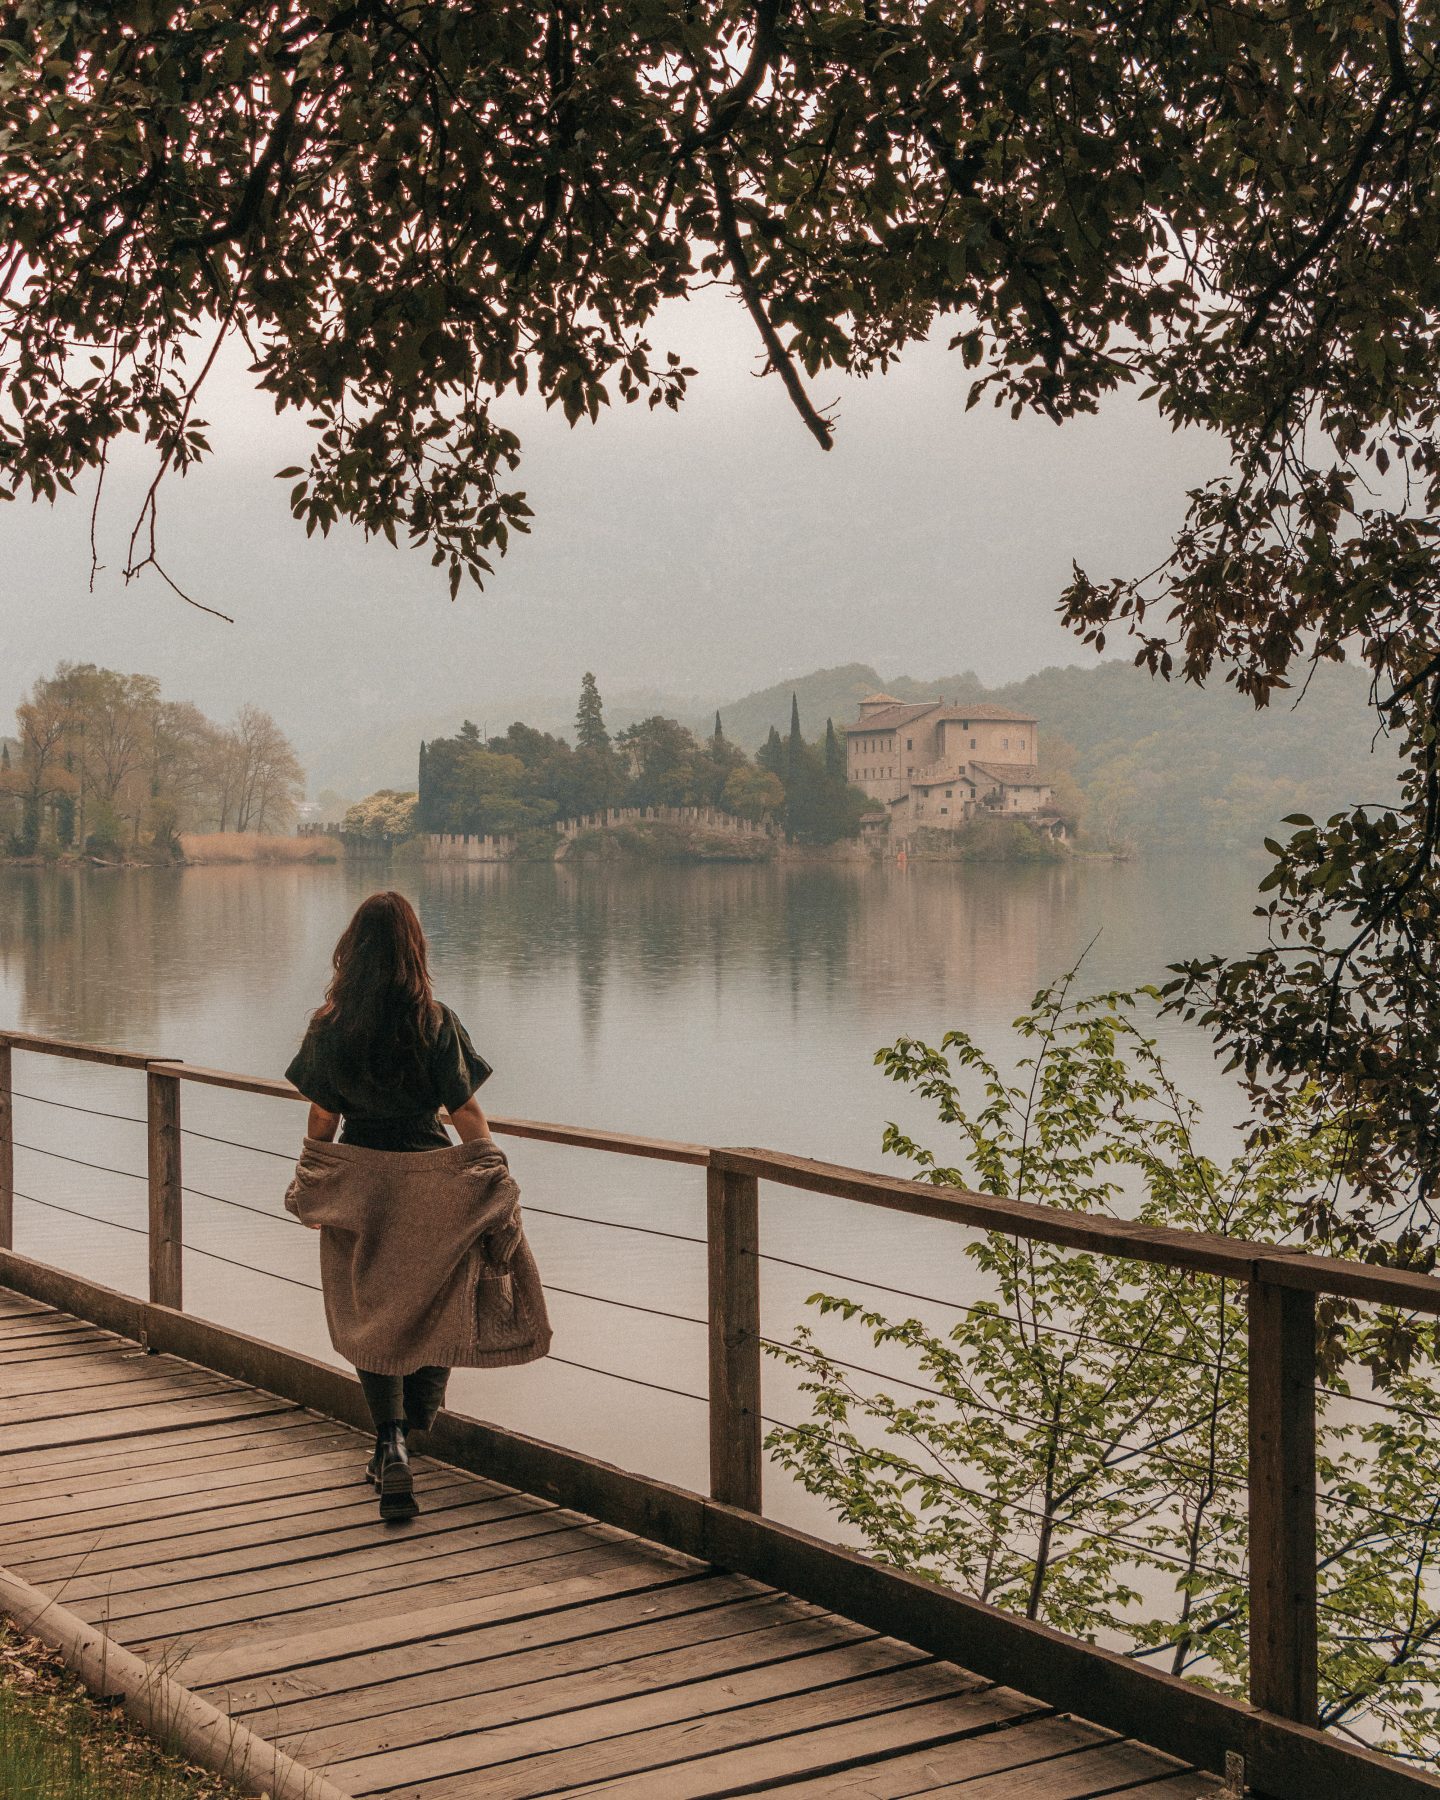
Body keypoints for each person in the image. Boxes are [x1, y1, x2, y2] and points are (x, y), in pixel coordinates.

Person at [284, 892, 551, 1522]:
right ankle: (413, 1432)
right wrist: (490, 1169)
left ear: (352, 950)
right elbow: (463, 1112)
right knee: (437, 1306)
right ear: (414, 950)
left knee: (371, 1316)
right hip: (433, 1182)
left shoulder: (329, 1025)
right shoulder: (436, 1021)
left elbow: (322, 1114)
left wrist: (313, 1173)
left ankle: (390, 1441)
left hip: (363, 1182)